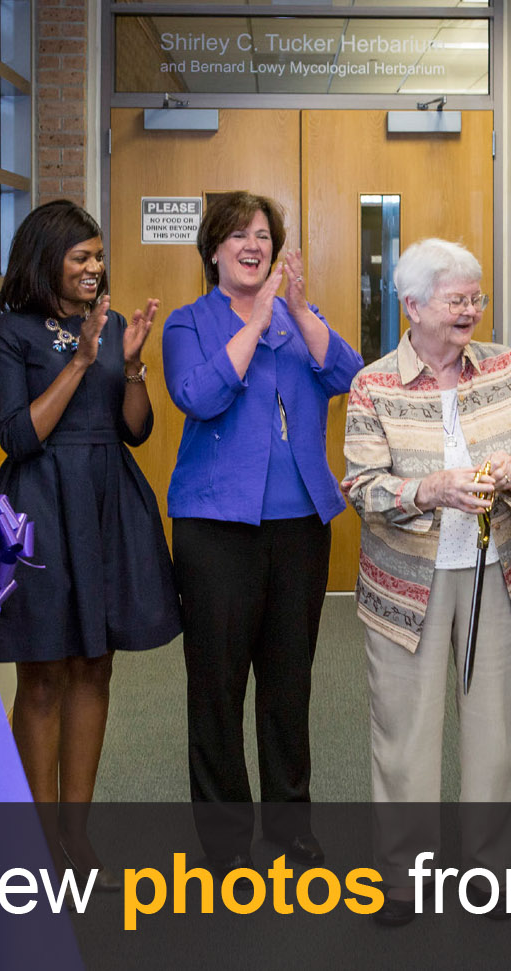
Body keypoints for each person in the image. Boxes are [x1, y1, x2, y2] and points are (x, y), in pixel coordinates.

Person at [343, 238, 511, 926]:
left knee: (497, 728)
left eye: (477, 297)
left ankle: (490, 872)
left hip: (502, 572)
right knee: (404, 732)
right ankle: (406, 877)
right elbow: (364, 489)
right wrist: (432, 488)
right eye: (456, 298)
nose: (471, 310)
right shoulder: (373, 383)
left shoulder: (506, 366)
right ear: (412, 305)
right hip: (407, 582)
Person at [0, 200, 180, 884]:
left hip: (107, 501)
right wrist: (81, 361)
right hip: (40, 504)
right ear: (47, 262)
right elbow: (18, 435)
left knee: (96, 663)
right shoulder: (8, 332)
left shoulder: (114, 323)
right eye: (81, 257)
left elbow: (135, 430)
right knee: (43, 670)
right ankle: (34, 838)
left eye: (99, 255)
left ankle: (76, 830)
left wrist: (128, 367)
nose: (96, 268)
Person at [162, 190, 362, 870]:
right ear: (213, 248)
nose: (254, 245)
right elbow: (200, 394)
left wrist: (297, 310)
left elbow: (349, 377)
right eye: (239, 235)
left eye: (264, 235)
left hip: (300, 524)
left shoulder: (299, 320)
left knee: (289, 683)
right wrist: (251, 320)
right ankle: (223, 840)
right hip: (215, 529)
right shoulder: (189, 324)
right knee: (217, 687)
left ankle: (289, 825)